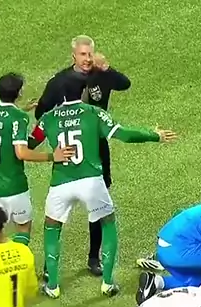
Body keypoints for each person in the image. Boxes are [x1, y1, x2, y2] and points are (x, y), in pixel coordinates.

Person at [30, 75, 177, 298]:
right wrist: (154, 135)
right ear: (82, 92)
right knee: (107, 224)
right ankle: (107, 283)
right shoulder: (94, 113)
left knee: (52, 229)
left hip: (61, 183)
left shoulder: (47, 119)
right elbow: (124, 135)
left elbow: (29, 143)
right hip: (91, 182)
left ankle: (53, 286)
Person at [35, 35, 131, 276]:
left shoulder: (102, 75)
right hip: (70, 150)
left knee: (99, 204)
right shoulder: (60, 81)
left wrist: (107, 68)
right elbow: (41, 112)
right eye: (82, 54)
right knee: (58, 208)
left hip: (98, 147)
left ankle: (93, 258)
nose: (87, 59)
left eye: (90, 54)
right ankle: (49, 266)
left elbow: (125, 84)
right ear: (74, 56)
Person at [0, 73, 75, 247]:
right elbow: (22, 153)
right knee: (23, 229)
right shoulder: (19, 118)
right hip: (13, 187)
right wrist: (53, 156)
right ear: (19, 93)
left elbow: (3, 120)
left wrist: (21, 109)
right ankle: (18, 261)